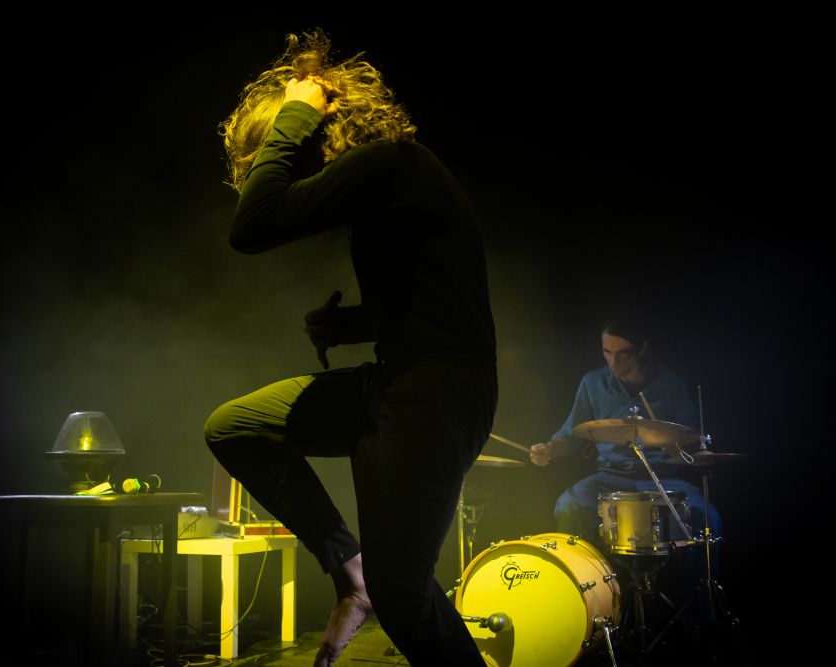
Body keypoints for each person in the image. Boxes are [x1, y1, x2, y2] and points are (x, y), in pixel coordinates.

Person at [203, 31, 497, 667]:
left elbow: (252, 226)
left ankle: (376, 590)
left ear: (315, 130)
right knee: (234, 427)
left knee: (404, 595)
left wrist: (295, 111)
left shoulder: (395, 163)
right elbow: (434, 305)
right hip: (396, 381)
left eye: (282, 151)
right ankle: (350, 571)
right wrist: (348, 327)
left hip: (437, 394)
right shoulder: (391, 183)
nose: (286, 171)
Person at [530, 319, 723, 618]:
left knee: (707, 515)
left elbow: (692, 439)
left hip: (662, 478)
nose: (612, 362)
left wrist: (682, 449)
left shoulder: (671, 384)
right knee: (568, 505)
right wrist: (550, 449)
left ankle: (698, 615)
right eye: (606, 352)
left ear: (642, 349)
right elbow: (570, 434)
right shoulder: (593, 383)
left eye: (622, 354)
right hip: (609, 477)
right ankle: (581, 605)